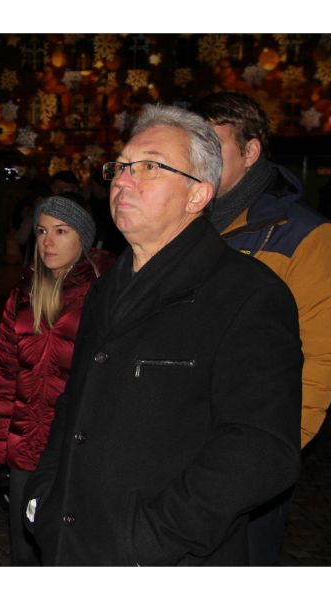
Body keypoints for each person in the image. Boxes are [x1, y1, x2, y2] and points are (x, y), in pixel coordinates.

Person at [23, 104, 302, 566]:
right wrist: (44, 495)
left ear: (198, 195)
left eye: (150, 167)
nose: (123, 180)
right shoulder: (105, 289)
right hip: (71, 545)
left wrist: (152, 539)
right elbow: (74, 403)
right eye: (120, 167)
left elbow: (261, 446)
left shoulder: (247, 294)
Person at [195, 92, 331, 565]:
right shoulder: (182, 222)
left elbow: (319, 363)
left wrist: (266, 459)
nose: (199, 159)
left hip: (248, 458)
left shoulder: (303, 235)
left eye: (213, 146)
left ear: (250, 151)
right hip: (177, 447)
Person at [0, 195, 113, 565]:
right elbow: (4, 377)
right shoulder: (24, 295)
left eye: (61, 231)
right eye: (41, 231)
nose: (48, 242)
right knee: (25, 555)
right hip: (25, 450)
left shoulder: (103, 293)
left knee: (70, 555)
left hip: (75, 453)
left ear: (83, 238)